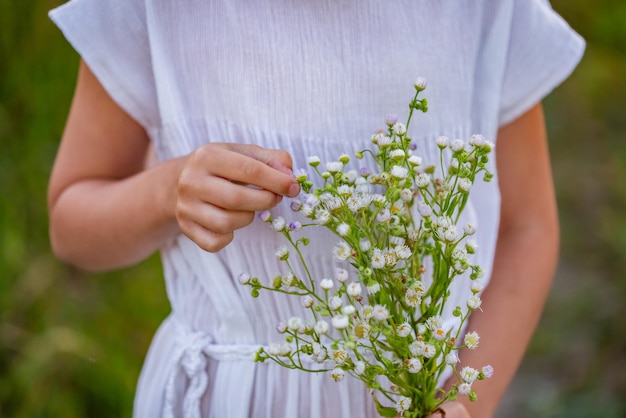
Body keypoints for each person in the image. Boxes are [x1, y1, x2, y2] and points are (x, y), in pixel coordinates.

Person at [47, 1, 584, 417]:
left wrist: (467, 401)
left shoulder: (479, 11)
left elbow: (528, 227)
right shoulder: (158, 11)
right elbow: (71, 226)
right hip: (227, 400)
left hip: (414, 398)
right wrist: (166, 193)